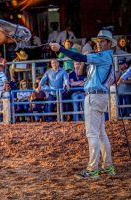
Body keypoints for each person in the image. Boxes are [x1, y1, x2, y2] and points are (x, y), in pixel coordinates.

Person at [49, 29, 117, 179]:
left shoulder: (103, 56)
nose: (98, 43)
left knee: (92, 133)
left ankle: (93, 169)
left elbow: (77, 57)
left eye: (102, 41)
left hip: (94, 96)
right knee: (100, 133)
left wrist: (60, 49)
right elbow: (80, 73)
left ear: (108, 43)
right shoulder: (101, 57)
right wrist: (84, 60)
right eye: (98, 41)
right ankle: (108, 166)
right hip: (98, 96)